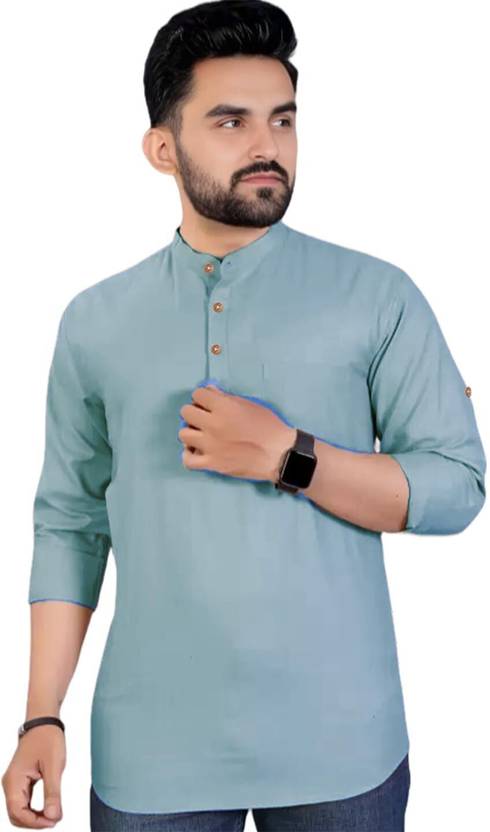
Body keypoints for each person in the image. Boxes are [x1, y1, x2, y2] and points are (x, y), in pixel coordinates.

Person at [2, 1, 486, 830]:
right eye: (231, 122)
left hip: (343, 741)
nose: (268, 146)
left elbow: (456, 488)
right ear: (163, 149)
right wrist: (41, 714)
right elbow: (71, 523)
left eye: (283, 120)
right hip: (153, 748)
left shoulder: (377, 296)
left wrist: (290, 457)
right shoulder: (95, 321)